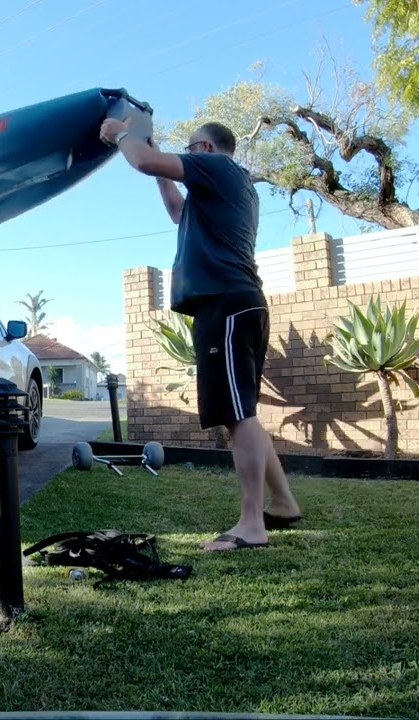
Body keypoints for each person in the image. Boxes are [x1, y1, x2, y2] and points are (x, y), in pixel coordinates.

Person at [98, 116, 303, 551]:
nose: (186, 155)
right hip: (239, 302)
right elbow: (177, 210)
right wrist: (158, 173)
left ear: (206, 150)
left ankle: (252, 524)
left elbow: (144, 160)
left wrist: (122, 134)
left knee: (236, 415)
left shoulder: (220, 169)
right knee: (244, 410)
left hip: (224, 304)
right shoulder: (227, 188)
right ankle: (283, 503)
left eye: (191, 148)